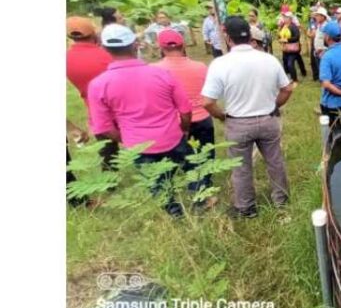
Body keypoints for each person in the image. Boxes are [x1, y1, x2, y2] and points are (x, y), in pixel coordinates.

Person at [87, 24, 193, 218]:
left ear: (105, 49)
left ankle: (174, 212)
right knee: (193, 168)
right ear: (136, 45)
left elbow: (103, 127)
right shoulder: (162, 74)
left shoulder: (98, 85)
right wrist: (184, 129)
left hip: (138, 146)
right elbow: (185, 110)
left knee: (156, 183)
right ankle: (201, 198)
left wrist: (128, 140)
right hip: (173, 137)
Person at [201, 16, 294, 218]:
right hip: (269, 119)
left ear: (227, 36)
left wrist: (222, 116)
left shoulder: (220, 64)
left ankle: (246, 208)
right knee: (275, 161)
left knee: (241, 168)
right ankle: (282, 200)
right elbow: (287, 89)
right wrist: (274, 105)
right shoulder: (269, 59)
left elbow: (207, 102)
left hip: (238, 122)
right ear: (250, 35)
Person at [152, 29, 216, 204]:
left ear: (161, 47)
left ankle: (184, 189)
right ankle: (204, 187)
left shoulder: (153, 70)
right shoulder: (200, 67)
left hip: (174, 122)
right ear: (183, 45)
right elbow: (208, 92)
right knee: (206, 154)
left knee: (180, 157)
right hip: (202, 117)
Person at [66, 16, 117, 170]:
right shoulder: (106, 56)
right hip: (117, 104)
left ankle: (109, 179)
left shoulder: (67, 58)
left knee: (107, 146)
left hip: (94, 107)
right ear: (94, 34)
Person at [278, 13, 305, 82]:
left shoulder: (293, 27)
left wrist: (287, 40)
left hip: (293, 49)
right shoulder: (283, 26)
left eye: (286, 17)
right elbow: (280, 35)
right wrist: (280, 39)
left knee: (290, 63)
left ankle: (295, 79)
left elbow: (297, 37)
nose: (284, 19)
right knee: (285, 62)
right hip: (285, 48)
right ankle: (288, 76)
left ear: (290, 18)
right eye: (283, 17)